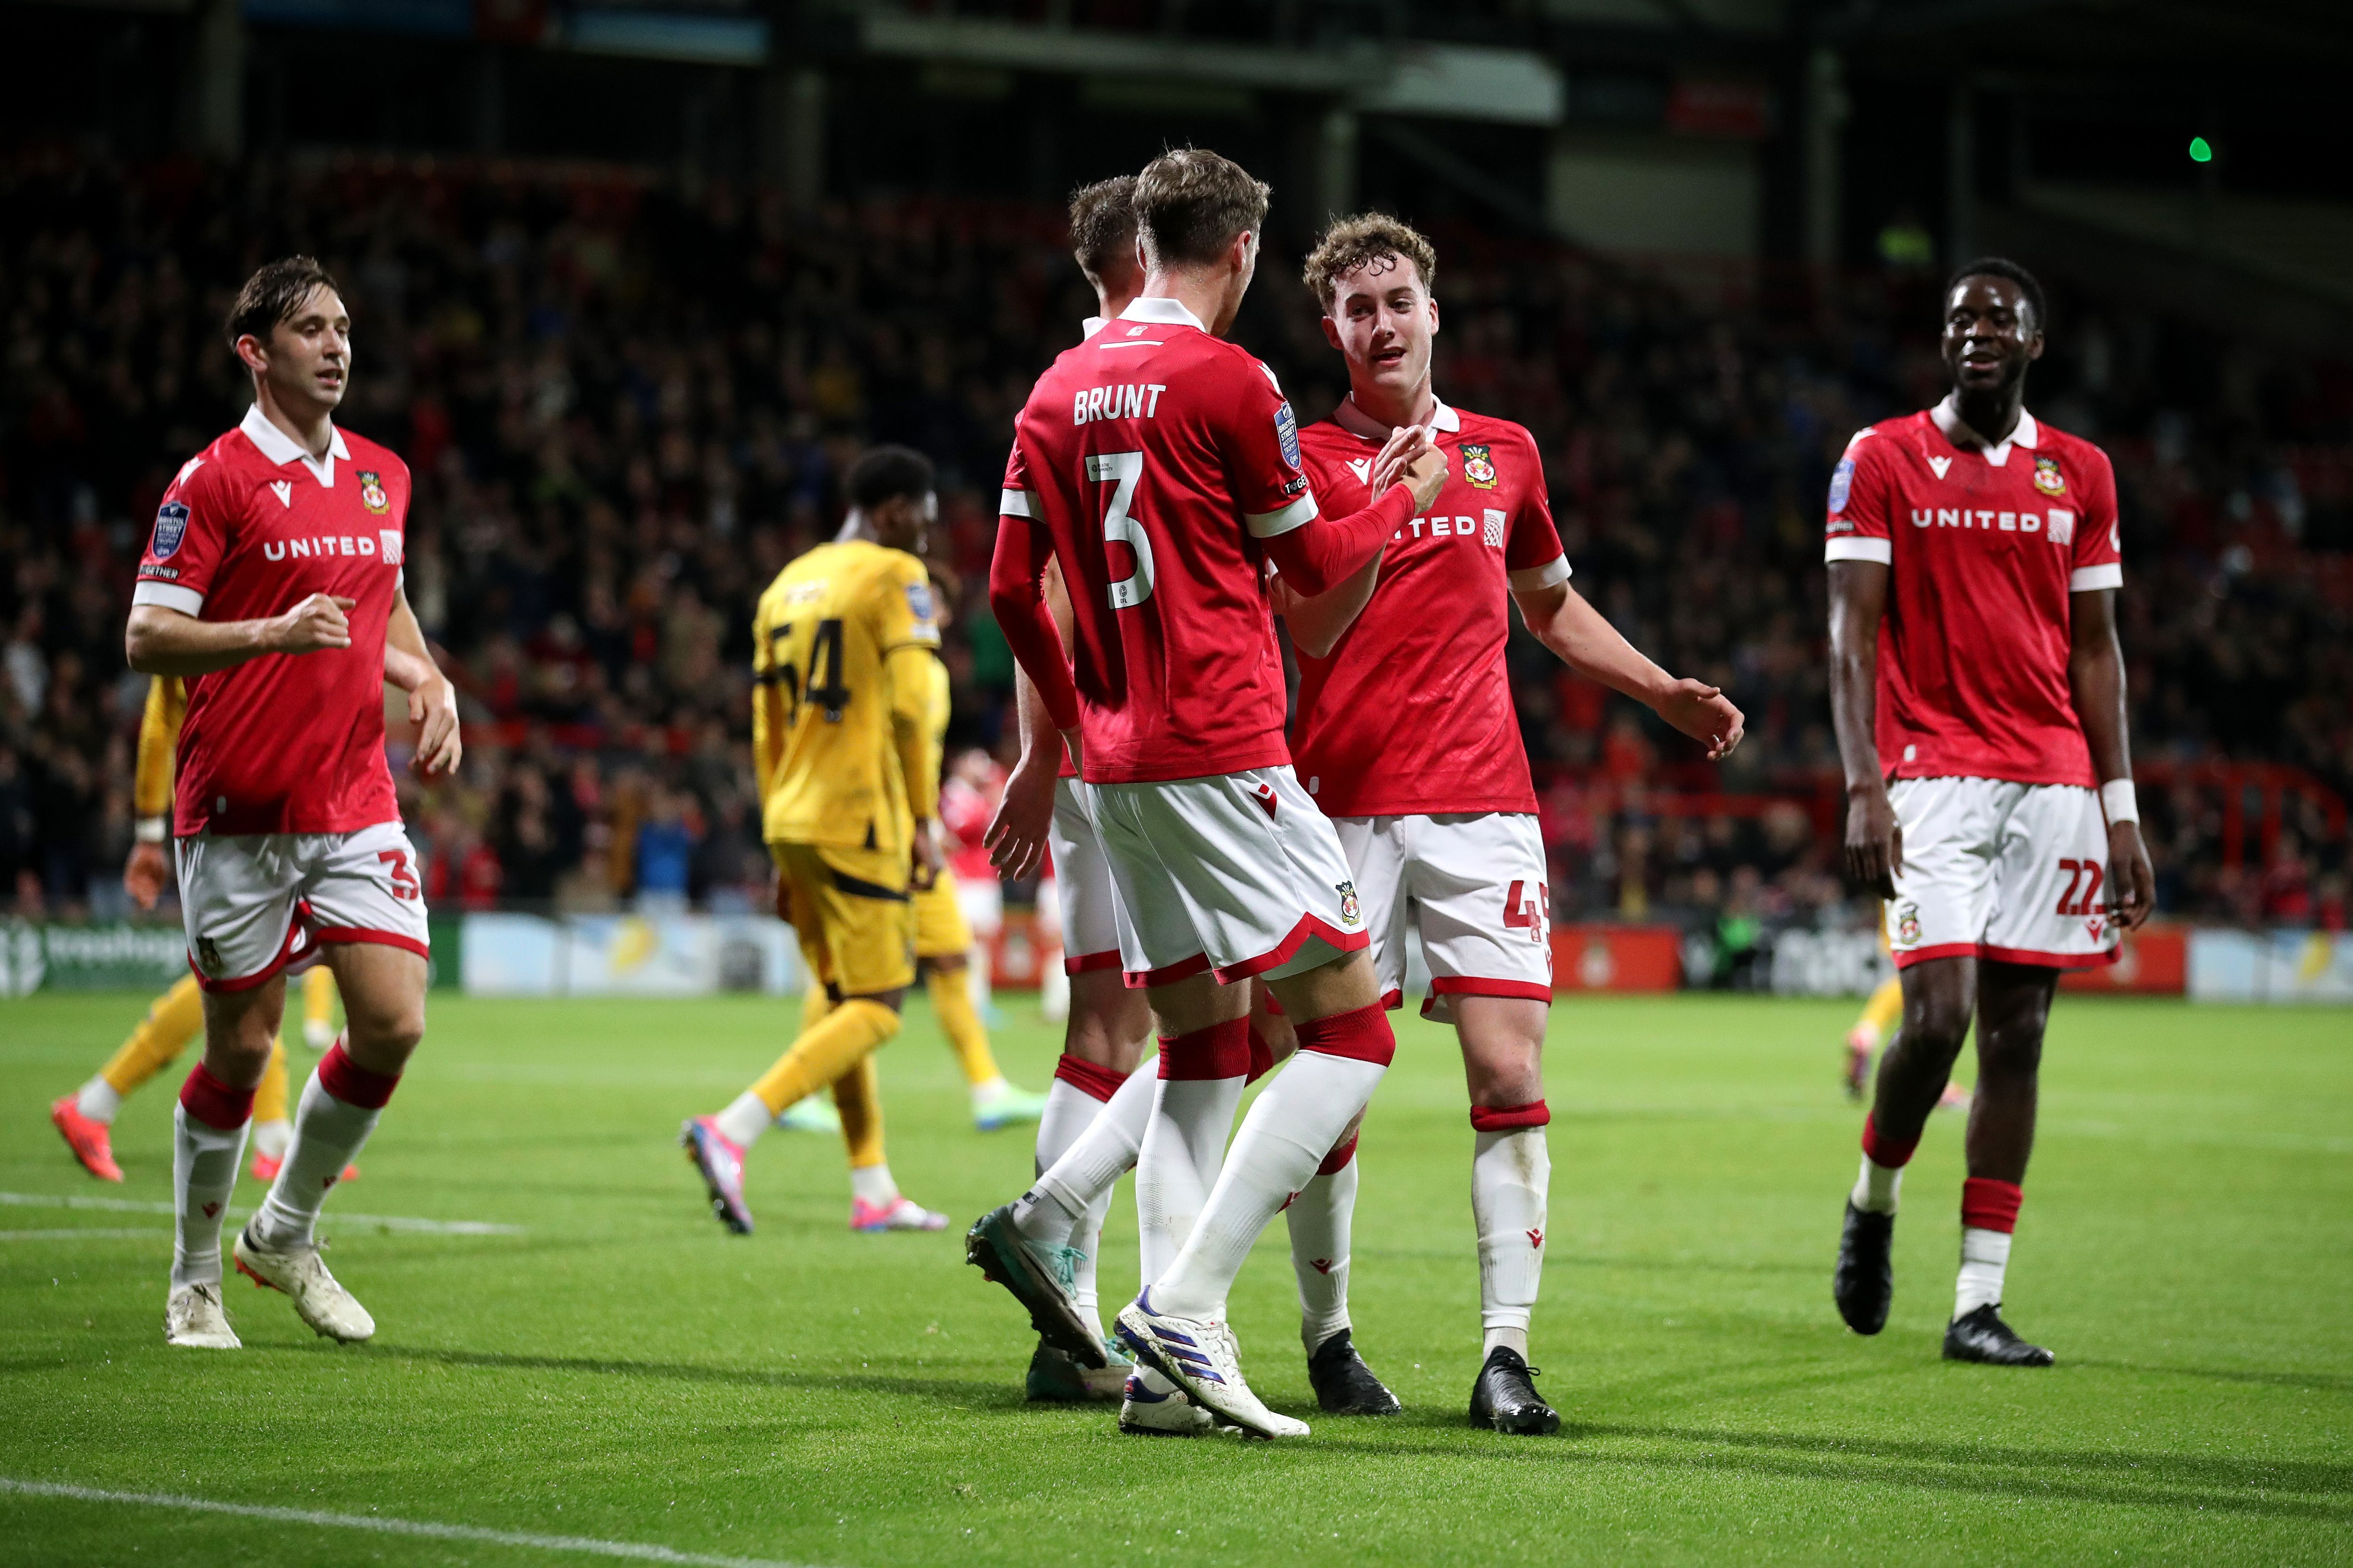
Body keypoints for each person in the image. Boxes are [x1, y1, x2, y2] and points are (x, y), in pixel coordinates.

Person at [976, 147, 1449, 1440]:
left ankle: (1158, 1378)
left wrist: (1075, 726)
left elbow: (1012, 591)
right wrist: (1403, 500)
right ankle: (1183, 1306)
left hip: (1119, 770)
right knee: (1351, 1032)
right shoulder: (1229, 380)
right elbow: (1308, 570)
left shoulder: (1055, 389)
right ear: (1240, 252)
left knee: (1201, 1049)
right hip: (1226, 751)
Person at [1277, 214, 1745, 1432]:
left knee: (1508, 1069)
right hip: (1338, 813)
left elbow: (1549, 606)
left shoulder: (1506, 454)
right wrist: (1386, 506)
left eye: (1395, 301)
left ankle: (1503, 1358)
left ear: (1433, 313)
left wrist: (1659, 693)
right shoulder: (1306, 457)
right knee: (1331, 1083)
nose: (1378, 325)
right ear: (1329, 331)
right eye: (1354, 309)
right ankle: (1328, 1342)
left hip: (1483, 803)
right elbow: (1306, 624)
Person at [126, 256, 463, 1351]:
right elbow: (145, 635)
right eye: (311, 329)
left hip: (355, 797)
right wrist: (268, 631)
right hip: (236, 808)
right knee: (241, 1050)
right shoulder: (211, 481)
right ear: (255, 352)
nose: (337, 344)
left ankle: (286, 1231)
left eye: (345, 326)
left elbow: (385, 595)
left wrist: (427, 677)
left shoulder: (383, 475)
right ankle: (192, 1282)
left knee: (396, 1018)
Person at [1826, 258, 2154, 1366]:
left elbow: (2098, 649)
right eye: (1962, 315)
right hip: (1931, 776)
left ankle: (1977, 1300)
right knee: (1938, 1019)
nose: (1978, 329)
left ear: (2034, 342)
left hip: (2057, 778)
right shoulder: (1881, 458)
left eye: (2000, 317)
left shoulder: (2083, 473)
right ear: (1944, 340)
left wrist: (2123, 813)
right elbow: (1849, 634)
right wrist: (1864, 780)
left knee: (2022, 1034)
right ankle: (1874, 1196)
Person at [680, 446, 952, 1235]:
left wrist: (776, 833)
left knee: (842, 1000)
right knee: (881, 1006)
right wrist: (924, 819)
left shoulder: (782, 588)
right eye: (925, 523)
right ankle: (733, 1127)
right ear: (897, 509)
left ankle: (873, 1187)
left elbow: (765, 726)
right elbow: (908, 709)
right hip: (861, 815)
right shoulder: (892, 575)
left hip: (793, 815)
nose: (926, 544)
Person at [48, 675, 357, 1187]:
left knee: (260, 973)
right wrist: (148, 832)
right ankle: (94, 1103)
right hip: (228, 815)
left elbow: (161, 714)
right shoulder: (208, 610)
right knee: (238, 979)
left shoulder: (215, 610)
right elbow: (160, 716)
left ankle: (272, 1136)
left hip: (254, 813)